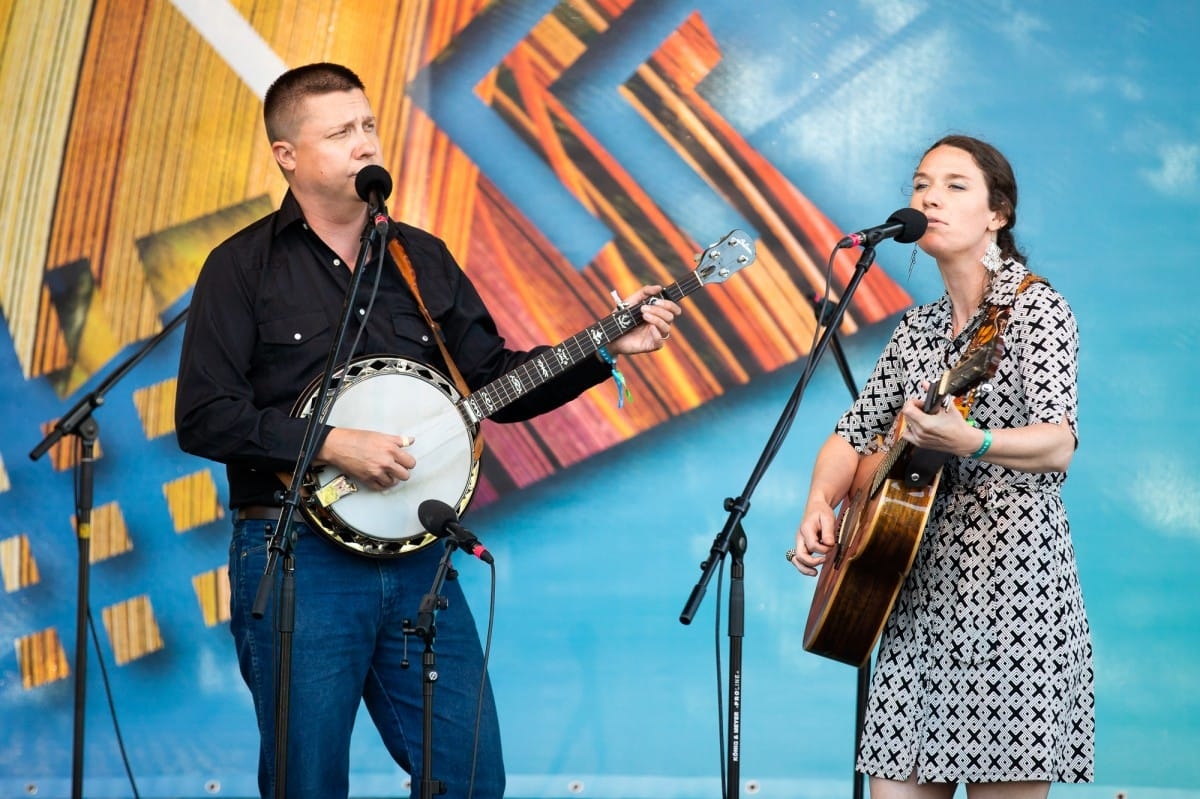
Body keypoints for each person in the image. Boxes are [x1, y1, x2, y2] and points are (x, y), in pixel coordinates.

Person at [174, 62, 680, 799]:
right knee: (306, 783)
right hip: (296, 559)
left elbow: (495, 383)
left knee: (470, 776)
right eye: (340, 131)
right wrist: (330, 443)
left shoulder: (420, 256)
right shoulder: (241, 267)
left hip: (419, 561)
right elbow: (204, 415)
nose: (363, 143)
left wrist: (603, 348)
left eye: (369, 125)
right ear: (287, 154)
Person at [789, 135, 1094, 798]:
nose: (929, 196)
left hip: (1013, 600)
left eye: (956, 184)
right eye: (922, 183)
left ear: (998, 214)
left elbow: (1057, 442)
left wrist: (972, 441)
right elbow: (852, 435)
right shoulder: (918, 329)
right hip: (911, 593)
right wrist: (820, 500)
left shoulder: (1037, 310)